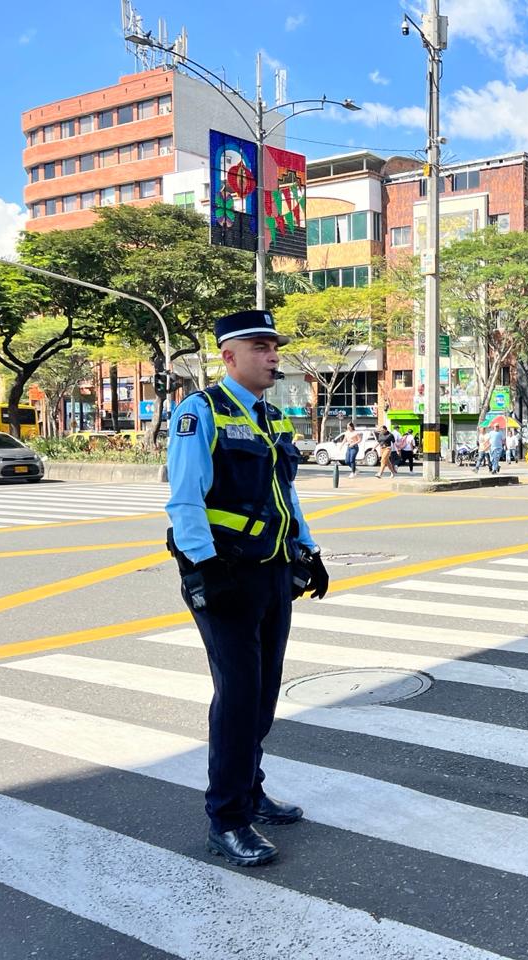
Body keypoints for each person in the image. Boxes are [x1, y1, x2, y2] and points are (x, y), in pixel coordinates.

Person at [165, 309, 328, 868]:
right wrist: (207, 571)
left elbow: (288, 496)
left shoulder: (274, 418)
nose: (274, 355)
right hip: (225, 573)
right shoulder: (201, 412)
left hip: (273, 570)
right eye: (261, 347)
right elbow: (185, 500)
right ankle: (227, 819)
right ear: (229, 356)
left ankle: (250, 791)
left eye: (275, 346)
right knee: (236, 698)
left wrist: (309, 550)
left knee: (262, 693)